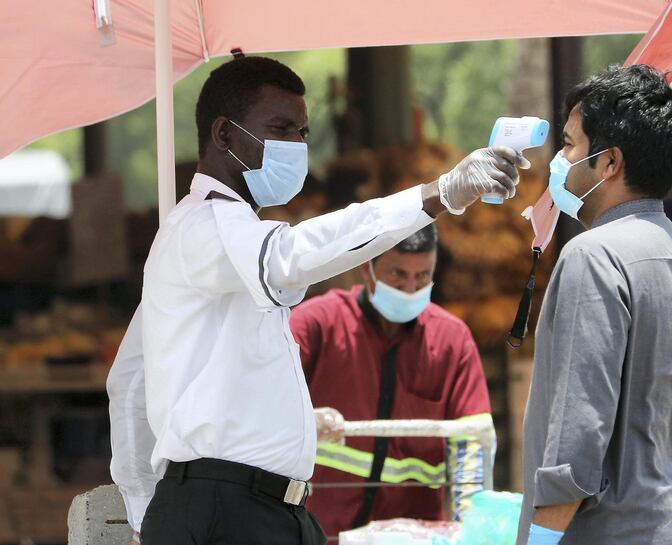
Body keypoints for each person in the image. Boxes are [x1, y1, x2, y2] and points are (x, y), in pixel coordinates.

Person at [108, 54, 524, 545]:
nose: (296, 147)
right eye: (280, 128)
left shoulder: (218, 233)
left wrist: (144, 509)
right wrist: (439, 193)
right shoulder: (203, 227)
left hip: (264, 509)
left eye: (303, 132)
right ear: (224, 135)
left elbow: (131, 379)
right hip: (225, 507)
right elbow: (292, 254)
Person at [515, 65, 672, 545]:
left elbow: (576, 441)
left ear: (609, 163)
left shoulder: (592, 254)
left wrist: (540, 541)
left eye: (568, 144)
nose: (559, 160)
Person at [290, 223, 494, 538]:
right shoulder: (315, 324)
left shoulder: (452, 340)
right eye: (397, 275)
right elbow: (258, 400)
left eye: (423, 276)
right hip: (318, 532)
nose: (410, 289)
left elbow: (471, 445)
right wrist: (300, 418)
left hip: (412, 537)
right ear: (365, 268)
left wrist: (471, 532)